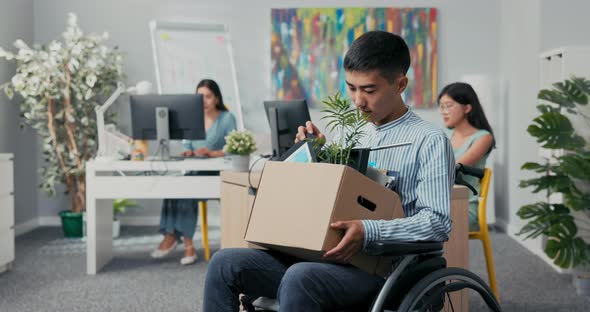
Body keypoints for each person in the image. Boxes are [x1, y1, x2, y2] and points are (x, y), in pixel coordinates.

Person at [202, 31, 455, 311]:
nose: (358, 101)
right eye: (351, 88)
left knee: (301, 277)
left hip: (381, 269)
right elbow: (332, 198)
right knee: (225, 263)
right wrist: (313, 155)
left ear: (400, 84)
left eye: (369, 90)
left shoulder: (429, 141)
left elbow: (437, 223)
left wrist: (367, 230)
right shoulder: (348, 132)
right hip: (322, 255)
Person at [150, 79, 237, 265]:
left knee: (187, 187)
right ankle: (172, 236)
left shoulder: (227, 118)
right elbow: (187, 145)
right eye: (200, 97)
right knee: (175, 185)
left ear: (216, 98)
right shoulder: (192, 119)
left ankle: (181, 242)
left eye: (208, 96)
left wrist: (212, 153)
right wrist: (188, 152)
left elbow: (233, 147)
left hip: (217, 174)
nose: (204, 100)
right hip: (196, 170)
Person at [438, 82, 495, 229]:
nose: (443, 111)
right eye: (441, 106)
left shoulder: (483, 137)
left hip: (463, 205)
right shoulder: (444, 135)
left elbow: (452, 168)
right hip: (439, 201)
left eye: (449, 105)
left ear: (467, 108)